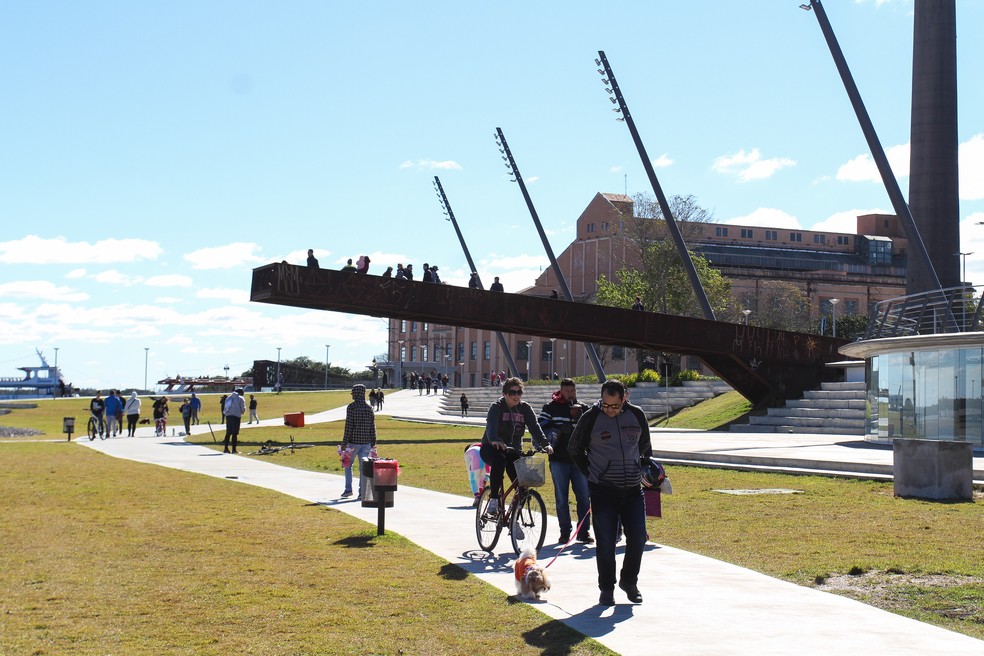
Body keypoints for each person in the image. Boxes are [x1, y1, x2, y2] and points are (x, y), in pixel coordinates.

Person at [569, 379, 653, 606]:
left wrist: (641, 466)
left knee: (637, 539)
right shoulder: (591, 417)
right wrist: (591, 473)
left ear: (624, 398)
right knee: (605, 543)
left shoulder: (637, 415)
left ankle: (629, 581)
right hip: (603, 490)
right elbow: (574, 448)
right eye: (605, 405)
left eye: (614, 406)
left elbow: (645, 445)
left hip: (633, 490)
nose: (609, 410)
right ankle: (607, 588)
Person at [480, 378, 552, 516]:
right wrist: (495, 439)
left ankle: (514, 519)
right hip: (491, 448)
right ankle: (494, 498)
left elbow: (534, 427)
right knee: (500, 460)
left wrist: (545, 444)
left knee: (522, 486)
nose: (516, 396)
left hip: (513, 450)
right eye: (512, 392)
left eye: (519, 392)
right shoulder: (496, 407)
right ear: (504, 394)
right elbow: (491, 426)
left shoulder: (525, 408)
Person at [539, 378, 592, 544]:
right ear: (561, 391)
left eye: (573, 391)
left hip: (579, 460)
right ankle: (564, 532)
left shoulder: (583, 408)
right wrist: (560, 428)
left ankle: (583, 532)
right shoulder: (550, 408)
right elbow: (541, 425)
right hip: (558, 459)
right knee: (562, 498)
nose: (571, 395)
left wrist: (580, 415)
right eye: (567, 391)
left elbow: (592, 427)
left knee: (584, 497)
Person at [341, 384, 377, 498]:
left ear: (356, 394)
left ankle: (348, 489)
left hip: (353, 442)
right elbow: (372, 426)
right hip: (366, 443)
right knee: (363, 468)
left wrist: (344, 442)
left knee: (348, 465)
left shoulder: (351, 407)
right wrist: (373, 442)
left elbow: (349, 426)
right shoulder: (369, 408)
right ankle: (362, 493)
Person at [222, 388, 246, 453]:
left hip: (228, 416)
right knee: (235, 433)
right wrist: (241, 411)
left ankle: (226, 448)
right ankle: (234, 449)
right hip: (236, 416)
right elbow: (243, 409)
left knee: (228, 433)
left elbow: (225, 407)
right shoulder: (241, 398)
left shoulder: (228, 397)